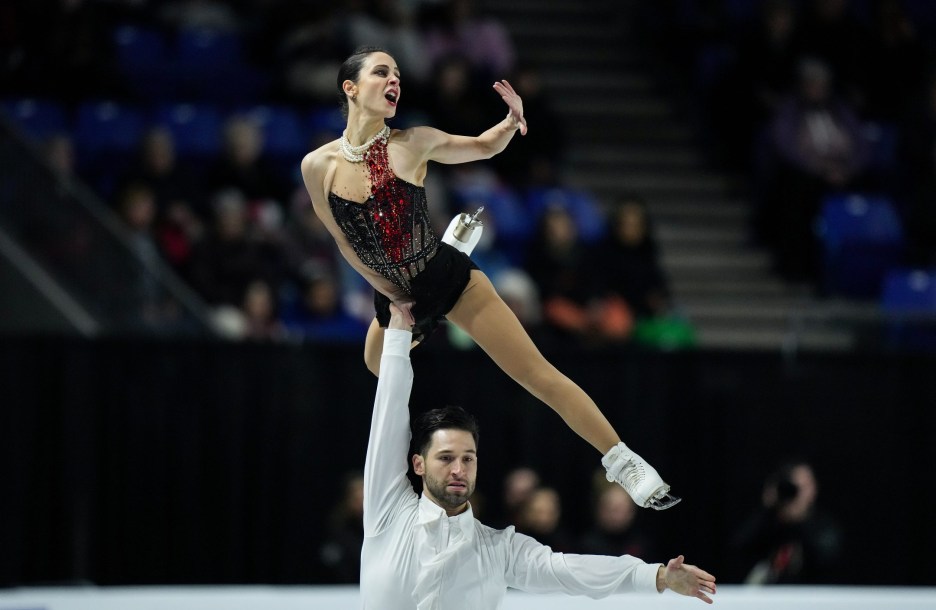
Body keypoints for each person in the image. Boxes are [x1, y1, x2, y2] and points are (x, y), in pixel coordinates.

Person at [300, 46, 679, 510]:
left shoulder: (412, 142)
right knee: (377, 365)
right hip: (398, 293)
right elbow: (342, 240)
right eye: (382, 72)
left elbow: (481, 146)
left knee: (534, 373)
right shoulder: (317, 166)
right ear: (351, 87)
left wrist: (507, 124)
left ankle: (624, 462)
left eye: (398, 73)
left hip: (448, 279)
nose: (395, 79)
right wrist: (389, 295)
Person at [359, 302, 717, 608]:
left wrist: (655, 577)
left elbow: (570, 571)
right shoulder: (388, 511)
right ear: (418, 464)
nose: (459, 468)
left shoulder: (498, 551)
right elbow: (388, 413)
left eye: (468, 458)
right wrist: (398, 334)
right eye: (446, 457)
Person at [729, 460, 843, 584]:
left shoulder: (823, 525)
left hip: (812, 595)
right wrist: (767, 510)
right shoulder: (770, 522)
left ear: (814, 489)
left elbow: (827, 559)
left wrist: (800, 521)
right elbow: (739, 549)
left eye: (804, 486)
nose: (798, 493)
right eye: (793, 486)